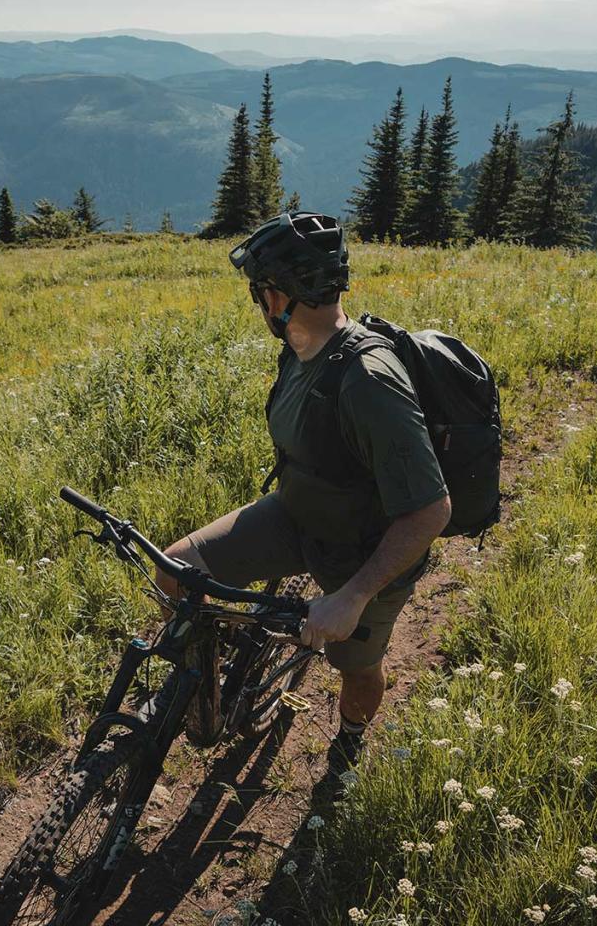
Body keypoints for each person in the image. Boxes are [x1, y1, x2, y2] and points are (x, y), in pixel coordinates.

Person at [154, 211, 451, 782]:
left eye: (258, 291)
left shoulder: (369, 381)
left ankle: (351, 739)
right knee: (176, 571)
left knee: (355, 668)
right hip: (297, 514)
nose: (257, 303)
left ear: (279, 296)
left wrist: (353, 597)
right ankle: (215, 679)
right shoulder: (300, 347)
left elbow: (431, 509)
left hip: (363, 553)